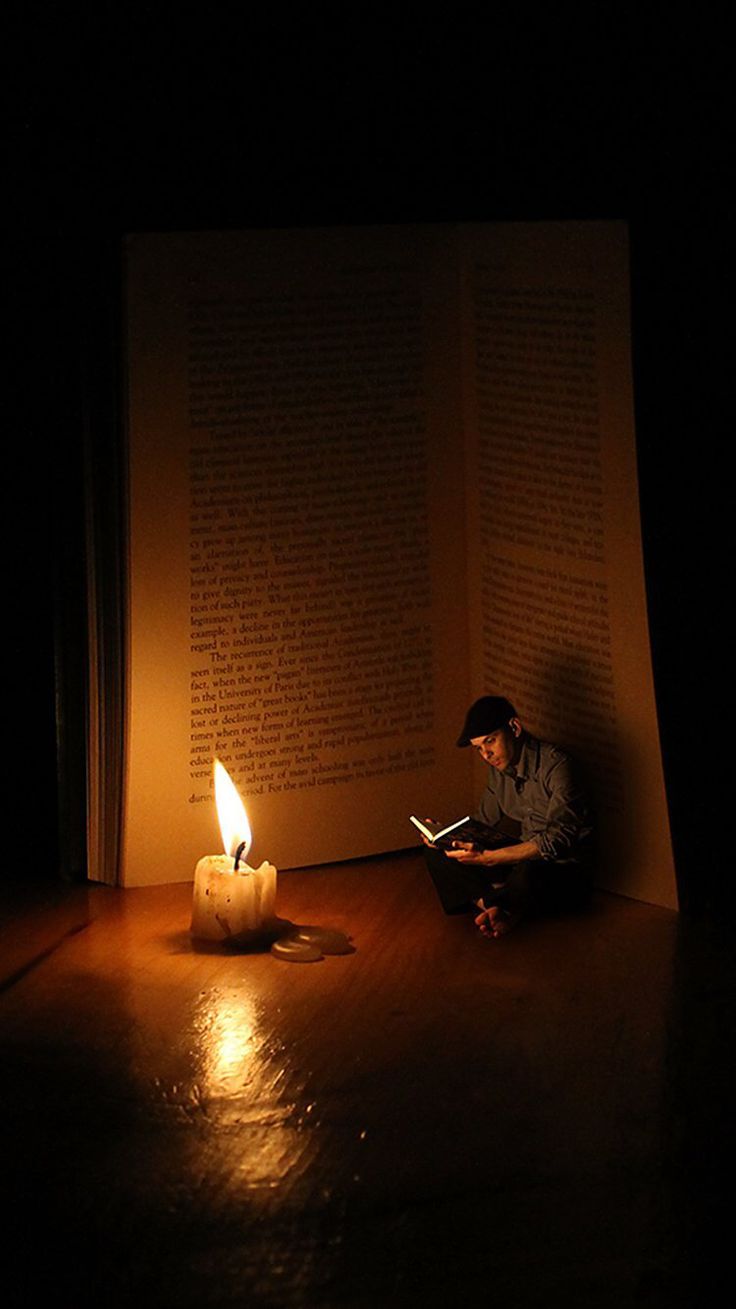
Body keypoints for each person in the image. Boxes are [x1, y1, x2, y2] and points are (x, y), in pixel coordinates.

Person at [422, 695, 594, 937]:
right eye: (479, 748)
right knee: (437, 852)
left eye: (490, 741)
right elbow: (482, 822)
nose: (486, 754)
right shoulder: (500, 769)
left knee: (528, 874)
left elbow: (558, 840)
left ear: (514, 728)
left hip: (560, 868)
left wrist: (491, 858)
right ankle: (497, 907)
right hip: (520, 858)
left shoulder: (557, 765)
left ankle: (495, 905)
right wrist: (446, 836)